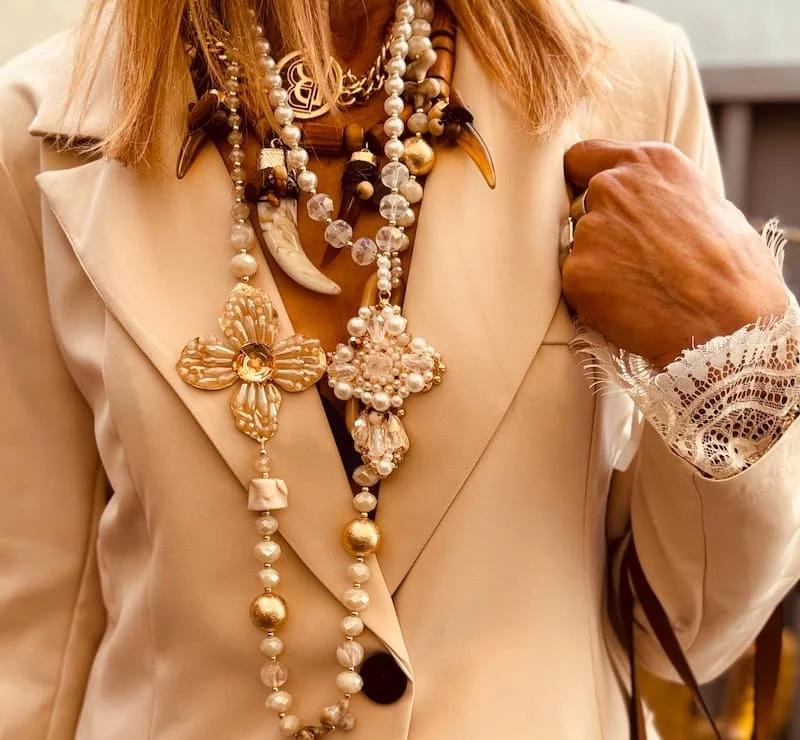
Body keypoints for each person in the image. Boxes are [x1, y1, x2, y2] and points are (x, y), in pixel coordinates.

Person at [1, 0, 798, 737]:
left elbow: (693, 628)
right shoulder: (38, 130)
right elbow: (37, 638)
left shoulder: (629, 83)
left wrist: (742, 340)